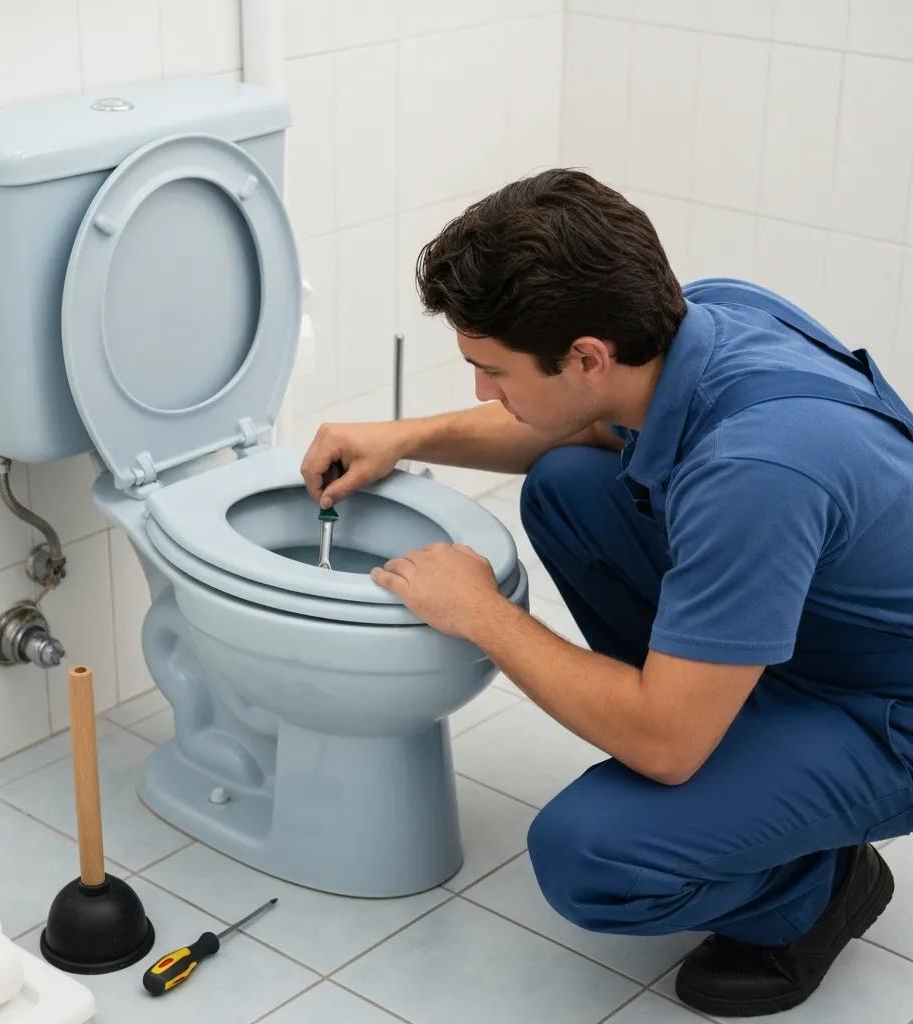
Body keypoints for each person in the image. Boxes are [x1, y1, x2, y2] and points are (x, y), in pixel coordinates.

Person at [299, 170, 913, 1017]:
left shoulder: (756, 472)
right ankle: (739, 739)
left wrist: (483, 614)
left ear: (587, 356)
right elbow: (587, 421)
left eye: (491, 369)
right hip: (823, 619)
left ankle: (810, 890)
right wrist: (405, 436)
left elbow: (663, 747)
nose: (482, 390)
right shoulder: (702, 317)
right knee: (569, 485)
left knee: (589, 854)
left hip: (890, 708)